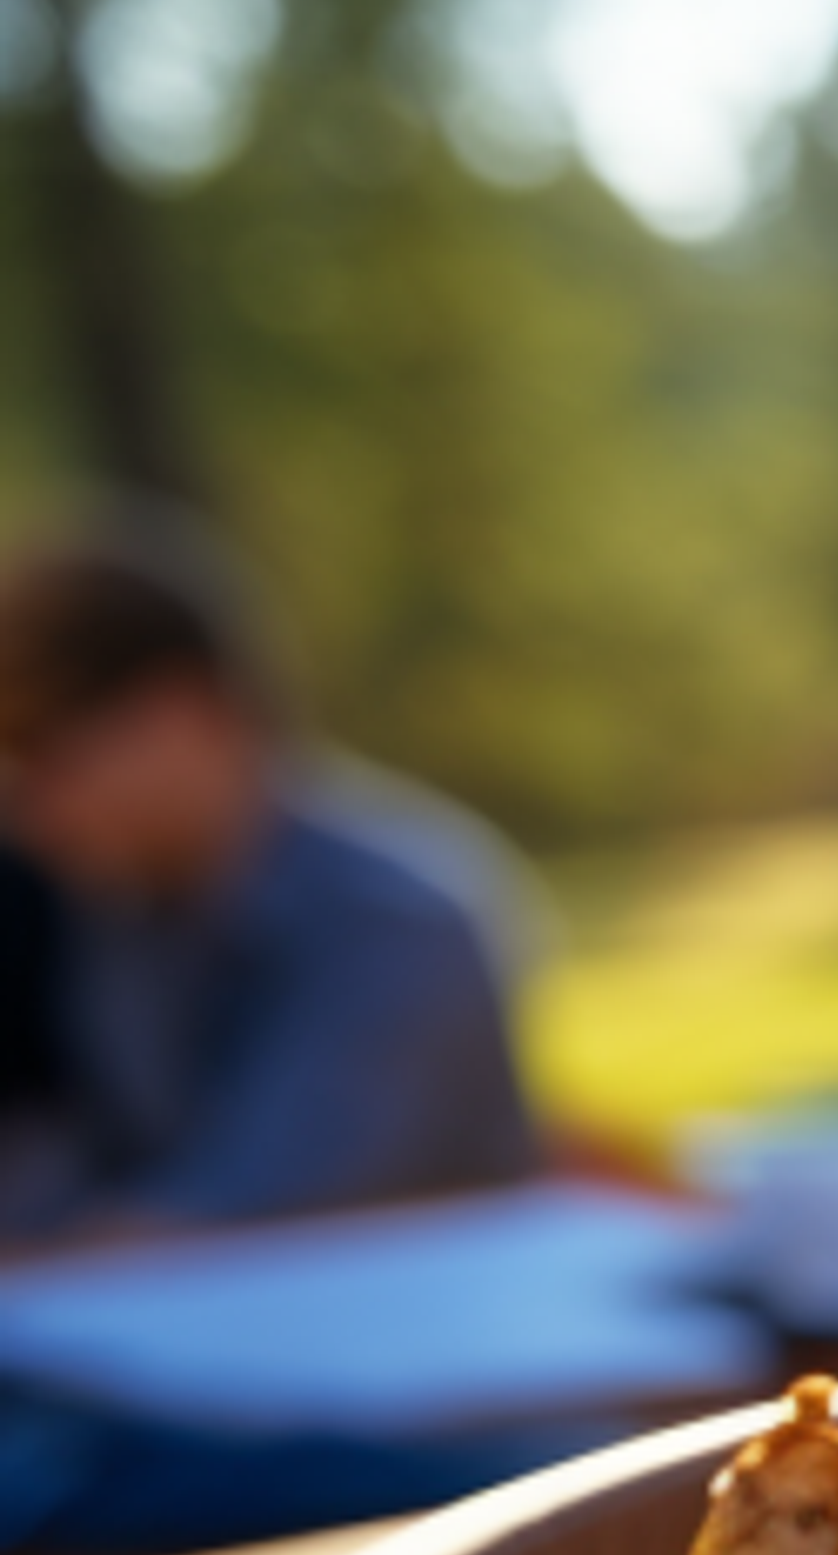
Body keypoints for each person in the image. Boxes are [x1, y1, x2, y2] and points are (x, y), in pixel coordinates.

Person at [0, 513, 539, 1241]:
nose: (31, 814)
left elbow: (243, 1221)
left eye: (49, 762)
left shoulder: (396, 917)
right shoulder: (117, 915)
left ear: (181, 712)